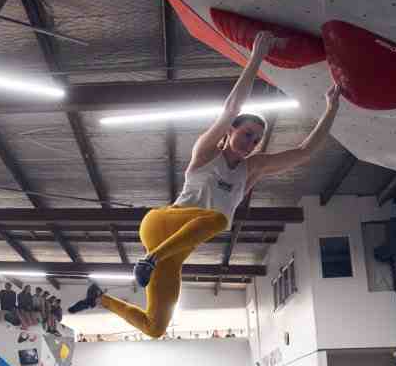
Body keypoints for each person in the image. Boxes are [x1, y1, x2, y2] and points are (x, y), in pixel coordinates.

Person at [69, 30, 341, 339]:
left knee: (155, 327)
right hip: (160, 225)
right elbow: (231, 109)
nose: (251, 143)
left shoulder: (252, 169)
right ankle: (148, 260)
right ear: (229, 133)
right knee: (219, 219)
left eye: (256, 139)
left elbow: (304, 152)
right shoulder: (206, 152)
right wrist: (256, 57)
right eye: (246, 134)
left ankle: (99, 298)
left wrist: (331, 108)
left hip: (175, 250)